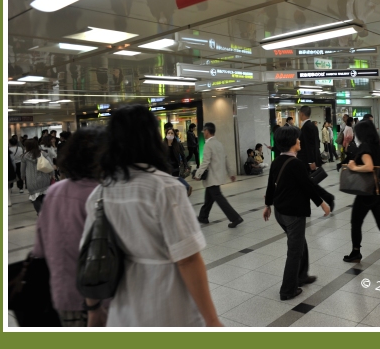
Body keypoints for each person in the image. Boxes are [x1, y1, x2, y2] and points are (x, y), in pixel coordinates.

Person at [80, 105, 222, 327]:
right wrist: (212, 320)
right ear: (150, 138)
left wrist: (93, 310)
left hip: (124, 308)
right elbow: (188, 258)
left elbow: (91, 256)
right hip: (167, 303)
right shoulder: (166, 188)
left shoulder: (100, 193)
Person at [31, 127, 102, 327]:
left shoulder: (54, 192)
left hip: (63, 293)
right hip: (101, 297)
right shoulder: (103, 193)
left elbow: (39, 248)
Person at [263, 126, 330, 300]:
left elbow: (271, 184)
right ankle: (288, 290)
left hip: (280, 212)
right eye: (298, 139)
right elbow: (308, 187)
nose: (300, 141)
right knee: (294, 251)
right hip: (293, 214)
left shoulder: (277, 161)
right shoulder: (297, 164)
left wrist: (267, 205)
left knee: (299, 242)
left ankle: (302, 275)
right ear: (292, 143)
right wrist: (322, 203)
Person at [342, 120, 380, 270]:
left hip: (366, 193)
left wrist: (354, 166)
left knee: (356, 222)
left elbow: (369, 167)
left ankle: (356, 252)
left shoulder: (365, 147)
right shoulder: (377, 147)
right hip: (378, 191)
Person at [193, 122, 243, 228]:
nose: (203, 133)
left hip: (212, 178)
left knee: (219, 199)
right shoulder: (219, 144)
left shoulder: (208, 145)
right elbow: (226, 159)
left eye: (204, 131)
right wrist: (231, 173)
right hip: (217, 177)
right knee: (209, 197)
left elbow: (205, 162)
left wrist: (198, 174)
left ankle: (235, 218)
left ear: (207, 131)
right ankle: (203, 217)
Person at [297, 106, 335, 211]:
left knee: (308, 184)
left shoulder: (307, 127)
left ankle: (326, 198)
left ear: (301, 114)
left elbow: (309, 146)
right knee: (308, 184)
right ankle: (326, 198)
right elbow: (316, 144)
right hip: (307, 160)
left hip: (306, 161)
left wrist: (311, 161)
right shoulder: (312, 126)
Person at [20, 139, 53, 214]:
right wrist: (52, 175)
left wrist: (22, 177)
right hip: (44, 179)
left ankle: (40, 213)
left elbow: (22, 170)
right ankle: (46, 212)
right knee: (44, 197)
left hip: (32, 181)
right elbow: (50, 165)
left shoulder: (24, 157)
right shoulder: (43, 153)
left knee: (35, 199)